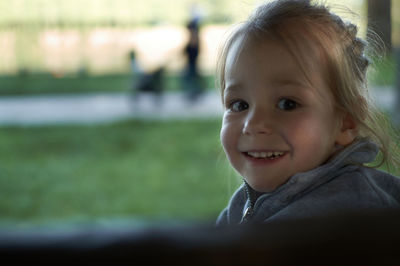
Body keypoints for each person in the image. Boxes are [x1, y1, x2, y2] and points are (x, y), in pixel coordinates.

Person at [216, 0, 400, 225]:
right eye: (239, 105)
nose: (253, 124)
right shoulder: (241, 204)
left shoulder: (357, 214)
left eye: (287, 104)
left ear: (346, 122)